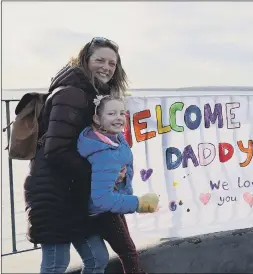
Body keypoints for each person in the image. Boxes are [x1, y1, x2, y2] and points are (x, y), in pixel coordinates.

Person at [24, 37, 128, 273]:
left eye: (112, 63)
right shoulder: (71, 94)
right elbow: (56, 151)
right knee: (55, 264)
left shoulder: (90, 94)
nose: (106, 67)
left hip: (75, 194)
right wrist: (103, 174)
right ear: (85, 60)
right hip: (54, 194)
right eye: (99, 60)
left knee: (97, 259)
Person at [77, 95, 160, 274]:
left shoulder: (113, 138)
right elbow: (101, 198)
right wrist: (138, 203)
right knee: (128, 252)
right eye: (112, 113)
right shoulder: (104, 152)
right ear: (97, 118)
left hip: (114, 205)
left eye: (122, 113)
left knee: (128, 249)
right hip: (103, 212)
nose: (119, 117)